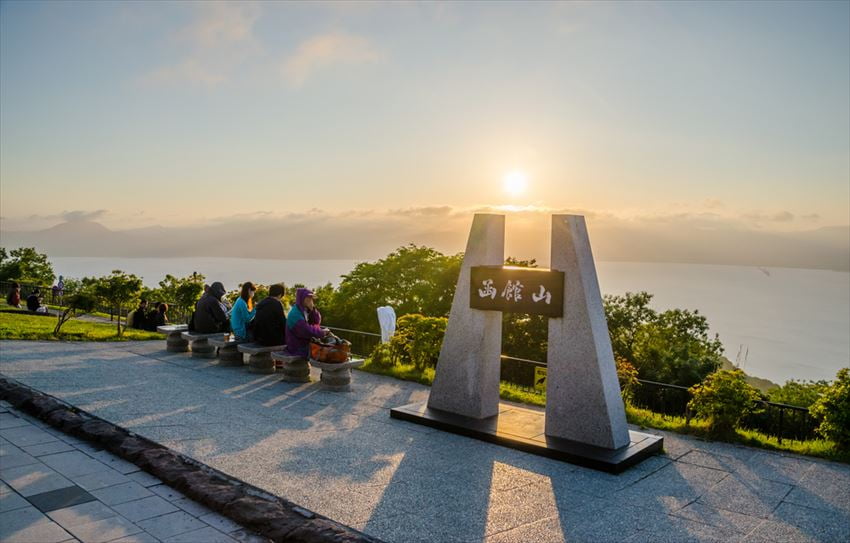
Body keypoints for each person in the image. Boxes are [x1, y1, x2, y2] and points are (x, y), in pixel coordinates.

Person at [284, 288, 328, 357]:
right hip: (297, 347)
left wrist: (313, 309)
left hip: (305, 343)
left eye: (311, 298)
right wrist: (322, 332)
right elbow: (305, 331)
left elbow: (316, 322)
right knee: (326, 353)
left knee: (330, 348)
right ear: (301, 298)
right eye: (308, 297)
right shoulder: (295, 314)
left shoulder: (305, 310)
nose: (310, 299)